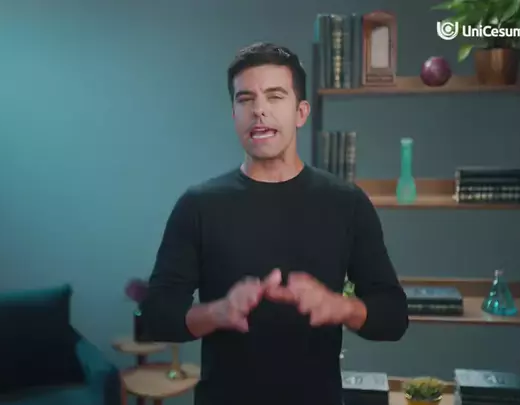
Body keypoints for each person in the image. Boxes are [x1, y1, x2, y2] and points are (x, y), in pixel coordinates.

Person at [140, 42, 409, 405]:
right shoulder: (198, 205)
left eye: (275, 96)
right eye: (245, 99)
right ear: (234, 114)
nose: (259, 110)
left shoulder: (347, 203)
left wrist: (341, 307)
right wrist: (218, 312)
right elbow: (156, 316)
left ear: (301, 112)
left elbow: (393, 317)